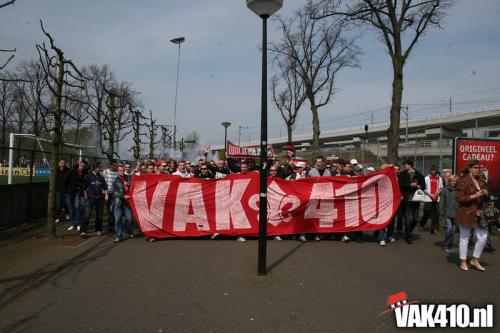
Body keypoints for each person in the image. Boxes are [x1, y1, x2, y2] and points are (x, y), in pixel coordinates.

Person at [455, 159, 489, 271]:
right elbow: (459, 198)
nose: (478, 170)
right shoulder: (463, 180)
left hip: (480, 212)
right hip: (466, 212)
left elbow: (485, 193)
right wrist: (474, 196)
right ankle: (463, 261)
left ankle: (475, 259)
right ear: (469, 168)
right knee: (464, 237)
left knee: (483, 236)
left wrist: (485, 193)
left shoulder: (481, 180)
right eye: (476, 168)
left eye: (479, 168)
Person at [398, 160, 425, 243]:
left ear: (410, 165)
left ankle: (408, 231)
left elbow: (423, 185)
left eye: (405, 165)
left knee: (415, 219)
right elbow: (399, 185)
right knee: (407, 219)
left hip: (415, 200)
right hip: (406, 200)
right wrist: (409, 185)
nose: (404, 166)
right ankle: (408, 237)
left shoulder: (419, 175)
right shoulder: (402, 174)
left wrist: (420, 186)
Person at [81, 163, 108, 236]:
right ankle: (83, 230)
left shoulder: (101, 177)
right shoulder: (88, 176)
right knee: (87, 215)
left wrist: (106, 195)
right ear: (95, 168)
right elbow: (84, 188)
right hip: (91, 198)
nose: (100, 169)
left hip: (99, 199)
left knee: (99, 216)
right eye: (99, 168)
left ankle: (98, 229)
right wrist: (86, 197)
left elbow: (105, 187)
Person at [419, 166, 444, 234]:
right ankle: (422, 223)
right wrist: (431, 195)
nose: (433, 172)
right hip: (428, 198)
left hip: (436, 198)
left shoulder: (439, 178)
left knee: (436, 214)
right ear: (430, 171)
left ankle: (435, 229)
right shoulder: (426, 178)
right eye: (432, 170)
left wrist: (436, 194)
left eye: (434, 170)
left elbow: (441, 187)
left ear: (436, 171)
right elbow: (423, 188)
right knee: (427, 213)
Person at [112, 164, 134, 242]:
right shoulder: (115, 181)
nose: (121, 172)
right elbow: (115, 192)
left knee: (130, 219)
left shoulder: (129, 178)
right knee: (118, 220)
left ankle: (129, 230)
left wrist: (129, 184)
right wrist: (123, 196)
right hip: (119, 203)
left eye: (122, 170)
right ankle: (118, 235)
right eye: (120, 170)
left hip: (128, 203)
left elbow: (134, 185)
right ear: (117, 171)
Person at [65, 161, 88, 231]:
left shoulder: (84, 173)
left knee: (77, 207)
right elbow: (66, 180)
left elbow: (84, 182)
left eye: (83, 166)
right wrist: (66, 191)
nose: (82, 167)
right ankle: (72, 224)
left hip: (77, 192)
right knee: (71, 209)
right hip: (69, 193)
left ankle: (78, 223)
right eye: (81, 166)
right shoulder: (72, 171)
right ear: (79, 164)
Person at [439, 175, 459, 253]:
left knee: (453, 230)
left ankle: (450, 245)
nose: (453, 182)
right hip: (447, 212)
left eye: (454, 181)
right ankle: (446, 244)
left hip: (456, 213)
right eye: (451, 181)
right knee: (449, 228)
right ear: (449, 182)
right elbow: (442, 201)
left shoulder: (459, 190)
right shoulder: (444, 190)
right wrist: (440, 210)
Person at [103, 162, 118, 233]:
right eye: (114, 165)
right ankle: (110, 225)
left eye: (116, 165)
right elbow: (103, 182)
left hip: (114, 194)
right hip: (107, 193)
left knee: (112, 209)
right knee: (109, 210)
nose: (115, 166)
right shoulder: (105, 172)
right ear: (111, 165)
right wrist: (104, 192)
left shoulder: (117, 173)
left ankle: (111, 226)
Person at [55, 159, 69, 223]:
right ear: (59, 163)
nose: (62, 164)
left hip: (65, 189)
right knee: (58, 204)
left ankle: (67, 214)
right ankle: (58, 217)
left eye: (63, 163)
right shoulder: (56, 170)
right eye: (61, 163)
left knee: (66, 203)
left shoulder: (67, 170)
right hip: (58, 189)